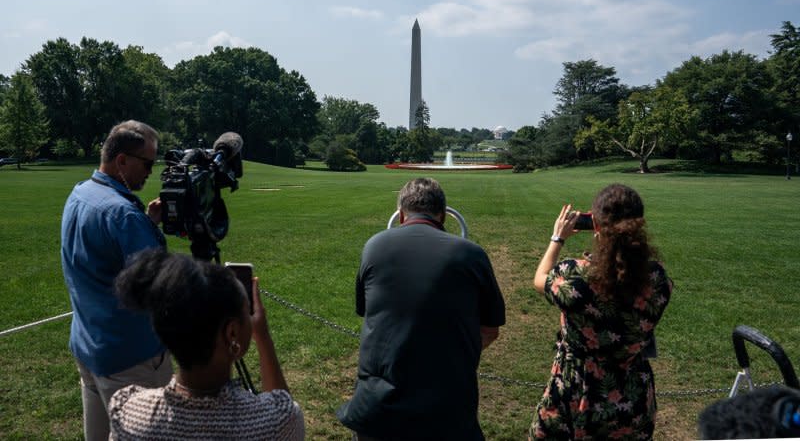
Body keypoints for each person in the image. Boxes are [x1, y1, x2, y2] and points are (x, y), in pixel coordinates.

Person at [337, 177, 506, 440]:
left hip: (379, 407)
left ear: (401, 215)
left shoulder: (374, 246)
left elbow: (366, 313)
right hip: (448, 408)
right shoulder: (473, 254)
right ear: (444, 216)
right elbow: (490, 330)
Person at [108, 250, 304, 440]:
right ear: (232, 333)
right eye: (246, 311)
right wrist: (262, 336)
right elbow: (284, 411)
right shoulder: (275, 421)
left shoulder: (128, 413)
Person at [529, 183, 673, 440]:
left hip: (576, 392)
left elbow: (540, 279)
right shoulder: (657, 278)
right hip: (633, 397)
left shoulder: (575, 276)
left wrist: (557, 238)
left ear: (594, 223)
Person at [60, 120, 171, 441]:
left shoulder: (81, 193)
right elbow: (158, 287)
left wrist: (146, 224)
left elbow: (103, 256)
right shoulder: (123, 216)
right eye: (148, 163)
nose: (151, 172)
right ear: (122, 160)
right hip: (131, 358)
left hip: (89, 347)